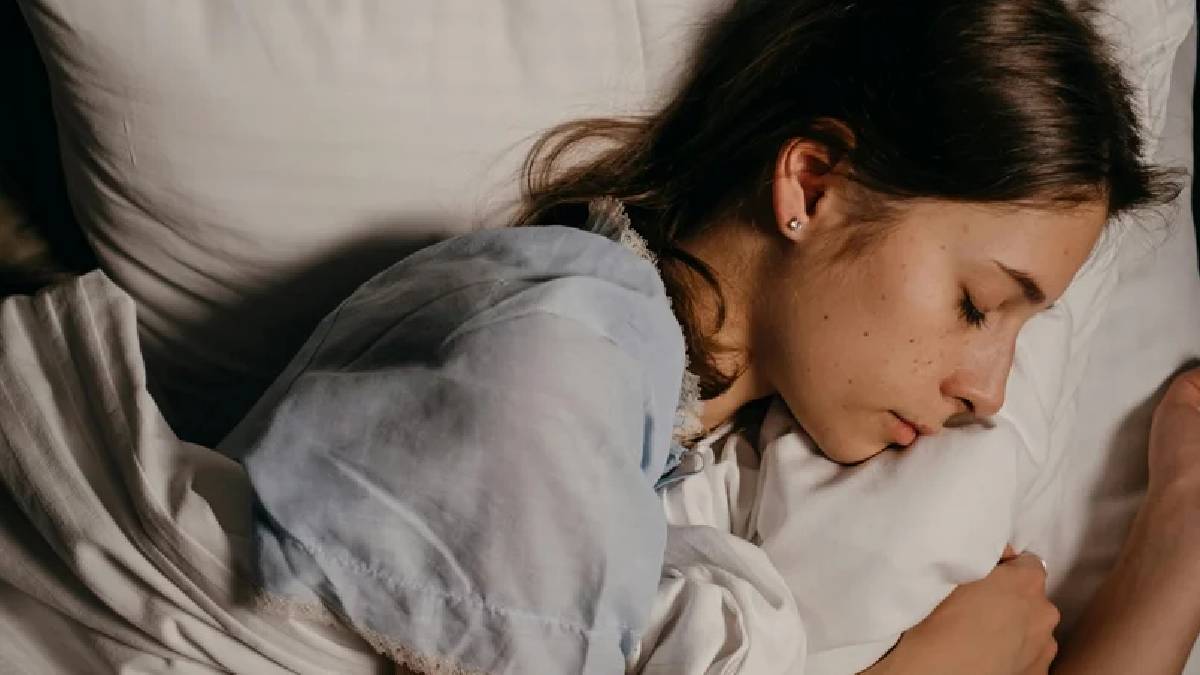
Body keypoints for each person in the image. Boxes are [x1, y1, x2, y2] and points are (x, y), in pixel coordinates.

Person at [221, 0, 1191, 673]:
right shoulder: (560, 342)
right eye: (978, 304)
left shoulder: (714, 467)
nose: (989, 390)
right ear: (810, 185)